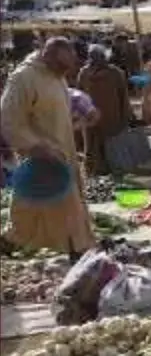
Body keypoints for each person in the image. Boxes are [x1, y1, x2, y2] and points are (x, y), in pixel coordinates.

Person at [0, 38, 96, 255]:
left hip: (63, 152)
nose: (65, 72)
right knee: (36, 207)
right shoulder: (23, 78)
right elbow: (8, 119)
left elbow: (56, 108)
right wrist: (34, 145)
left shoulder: (56, 77)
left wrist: (79, 116)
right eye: (61, 66)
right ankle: (71, 250)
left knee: (55, 207)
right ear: (47, 56)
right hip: (41, 157)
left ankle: (72, 248)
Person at [75, 44, 130, 176]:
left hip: (107, 118)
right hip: (96, 118)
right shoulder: (85, 73)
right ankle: (97, 173)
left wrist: (125, 118)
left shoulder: (115, 73)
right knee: (95, 148)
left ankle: (107, 172)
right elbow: (79, 96)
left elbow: (123, 97)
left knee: (108, 147)